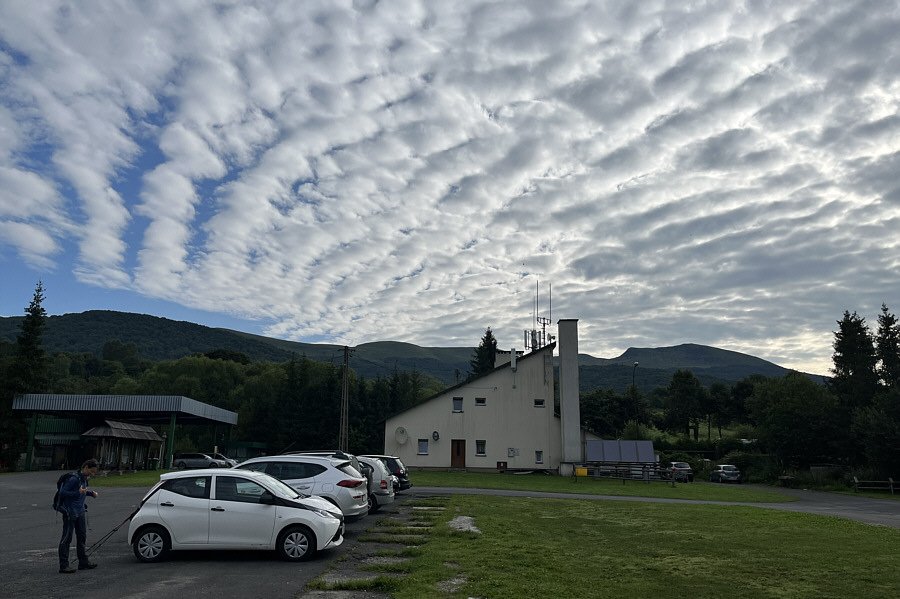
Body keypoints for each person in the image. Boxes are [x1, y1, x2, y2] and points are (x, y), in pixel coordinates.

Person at [57, 458, 100, 573]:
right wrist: (78, 492)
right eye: (91, 471)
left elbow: (83, 491)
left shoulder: (85, 479)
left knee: (82, 536)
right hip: (70, 511)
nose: (92, 474)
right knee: (67, 537)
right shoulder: (73, 479)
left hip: (80, 510)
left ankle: (83, 562)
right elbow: (63, 492)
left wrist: (91, 493)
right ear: (86, 468)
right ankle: (64, 565)